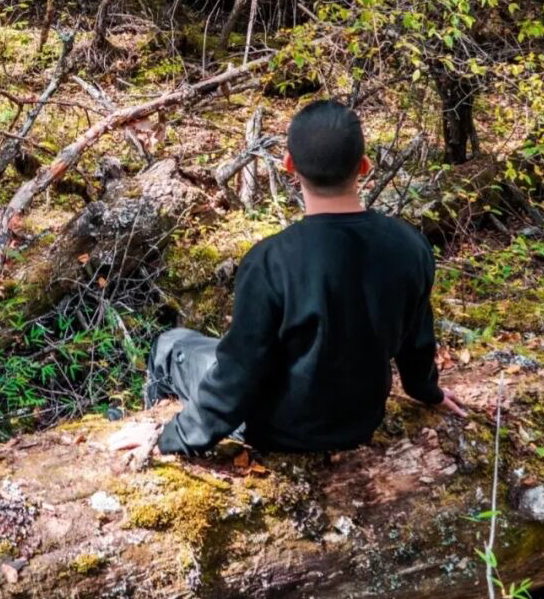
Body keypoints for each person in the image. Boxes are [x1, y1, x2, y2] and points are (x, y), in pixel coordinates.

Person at [107, 98, 466, 468]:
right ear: (364, 166)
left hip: (276, 429)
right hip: (359, 422)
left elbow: (239, 374)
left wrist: (170, 437)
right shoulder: (411, 246)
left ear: (289, 166)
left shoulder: (270, 261)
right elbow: (417, 342)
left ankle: (147, 423)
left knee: (171, 345)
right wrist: (427, 391)